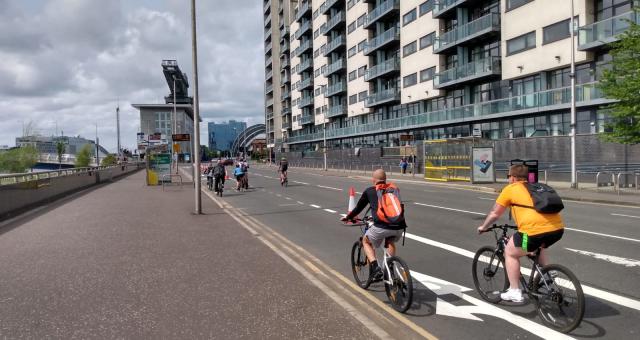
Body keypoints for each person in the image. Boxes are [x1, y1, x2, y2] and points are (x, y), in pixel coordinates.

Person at [477, 164, 565, 303]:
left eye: (508, 176)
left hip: (533, 231)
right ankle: (546, 274)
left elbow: (495, 213)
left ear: (512, 177)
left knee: (510, 253)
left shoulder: (510, 189)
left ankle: (514, 291)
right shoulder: (536, 188)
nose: (508, 179)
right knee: (534, 246)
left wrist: (483, 227)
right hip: (557, 230)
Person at [341, 169, 407, 281]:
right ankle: (389, 267)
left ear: (373, 180)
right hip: (399, 226)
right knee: (389, 241)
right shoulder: (394, 189)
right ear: (385, 179)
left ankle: (376, 268)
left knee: (366, 241)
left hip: (382, 227)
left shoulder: (370, 191)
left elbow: (358, 209)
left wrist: (348, 217)